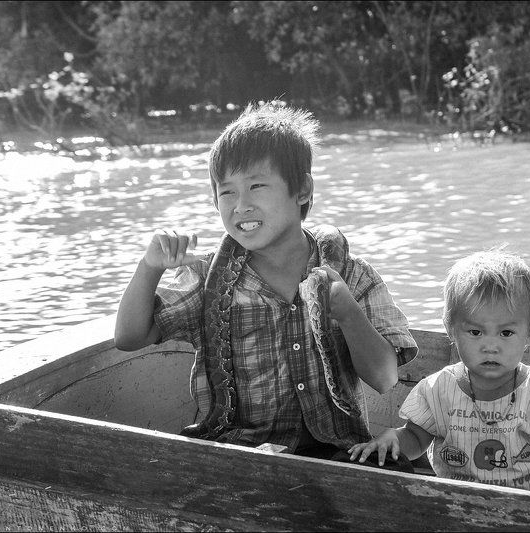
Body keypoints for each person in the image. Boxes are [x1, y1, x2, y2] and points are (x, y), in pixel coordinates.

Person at [114, 100, 418, 468]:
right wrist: (150, 267)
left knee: (394, 471)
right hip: (236, 452)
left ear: (302, 190)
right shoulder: (207, 277)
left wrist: (347, 312)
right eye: (226, 192)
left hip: (337, 455)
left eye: (257, 186)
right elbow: (129, 338)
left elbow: (385, 379)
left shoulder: (351, 274)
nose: (240, 205)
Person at [348, 249, 530, 501]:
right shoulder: (438, 389)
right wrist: (394, 439)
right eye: (475, 332)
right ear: (451, 330)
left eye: (506, 333)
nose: (491, 346)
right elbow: (416, 438)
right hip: (458, 496)